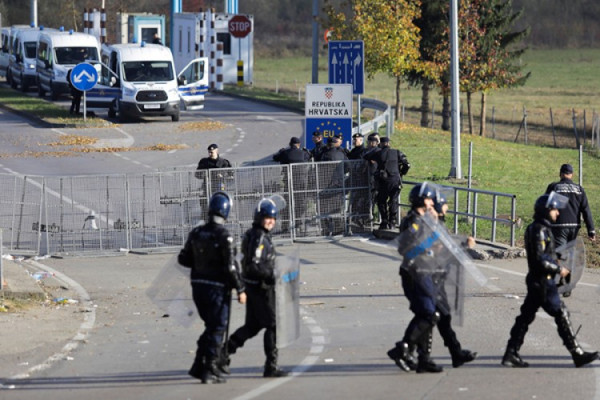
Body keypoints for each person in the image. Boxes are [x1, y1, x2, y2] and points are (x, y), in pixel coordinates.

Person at [501, 192, 598, 368]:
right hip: (543, 282)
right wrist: (559, 269)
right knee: (560, 313)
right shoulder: (539, 230)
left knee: (525, 318)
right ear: (546, 210)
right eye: (554, 210)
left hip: (538, 281)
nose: (557, 213)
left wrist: (557, 258)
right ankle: (576, 353)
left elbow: (545, 255)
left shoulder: (540, 228)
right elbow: (539, 259)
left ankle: (510, 353)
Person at [178, 192, 247, 384]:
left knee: (211, 326)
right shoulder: (225, 236)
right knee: (218, 327)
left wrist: (201, 263)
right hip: (217, 288)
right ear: (226, 212)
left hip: (198, 287)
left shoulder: (197, 233)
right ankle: (209, 367)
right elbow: (231, 267)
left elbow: (183, 258)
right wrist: (241, 289)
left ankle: (199, 365)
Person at [226, 198, 289, 378]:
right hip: (261, 288)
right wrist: (272, 275)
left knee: (252, 326)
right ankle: (271, 366)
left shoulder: (253, 234)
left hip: (253, 286)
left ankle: (223, 353)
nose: (271, 221)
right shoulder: (258, 237)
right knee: (273, 326)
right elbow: (253, 264)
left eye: (273, 218)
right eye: (267, 217)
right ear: (259, 217)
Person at [387, 182, 443, 373]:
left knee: (426, 314)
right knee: (429, 314)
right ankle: (403, 348)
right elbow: (406, 249)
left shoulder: (424, 219)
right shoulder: (412, 221)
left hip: (425, 270)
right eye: (428, 199)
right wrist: (431, 240)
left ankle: (423, 357)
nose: (431, 203)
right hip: (414, 272)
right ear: (420, 200)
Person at [431, 190, 478, 368]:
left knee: (442, 317)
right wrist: (465, 245)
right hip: (430, 277)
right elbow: (443, 250)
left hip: (438, 276)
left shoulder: (437, 223)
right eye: (444, 204)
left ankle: (456, 353)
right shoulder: (432, 225)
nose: (447, 207)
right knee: (429, 318)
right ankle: (407, 350)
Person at [364, 136, 410, 230]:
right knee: (393, 201)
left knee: (381, 201)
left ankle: (384, 221)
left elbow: (366, 156)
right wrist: (401, 173)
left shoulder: (378, 153)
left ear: (380, 143)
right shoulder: (397, 152)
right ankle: (392, 221)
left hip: (383, 181)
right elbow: (407, 164)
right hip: (395, 180)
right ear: (389, 143)